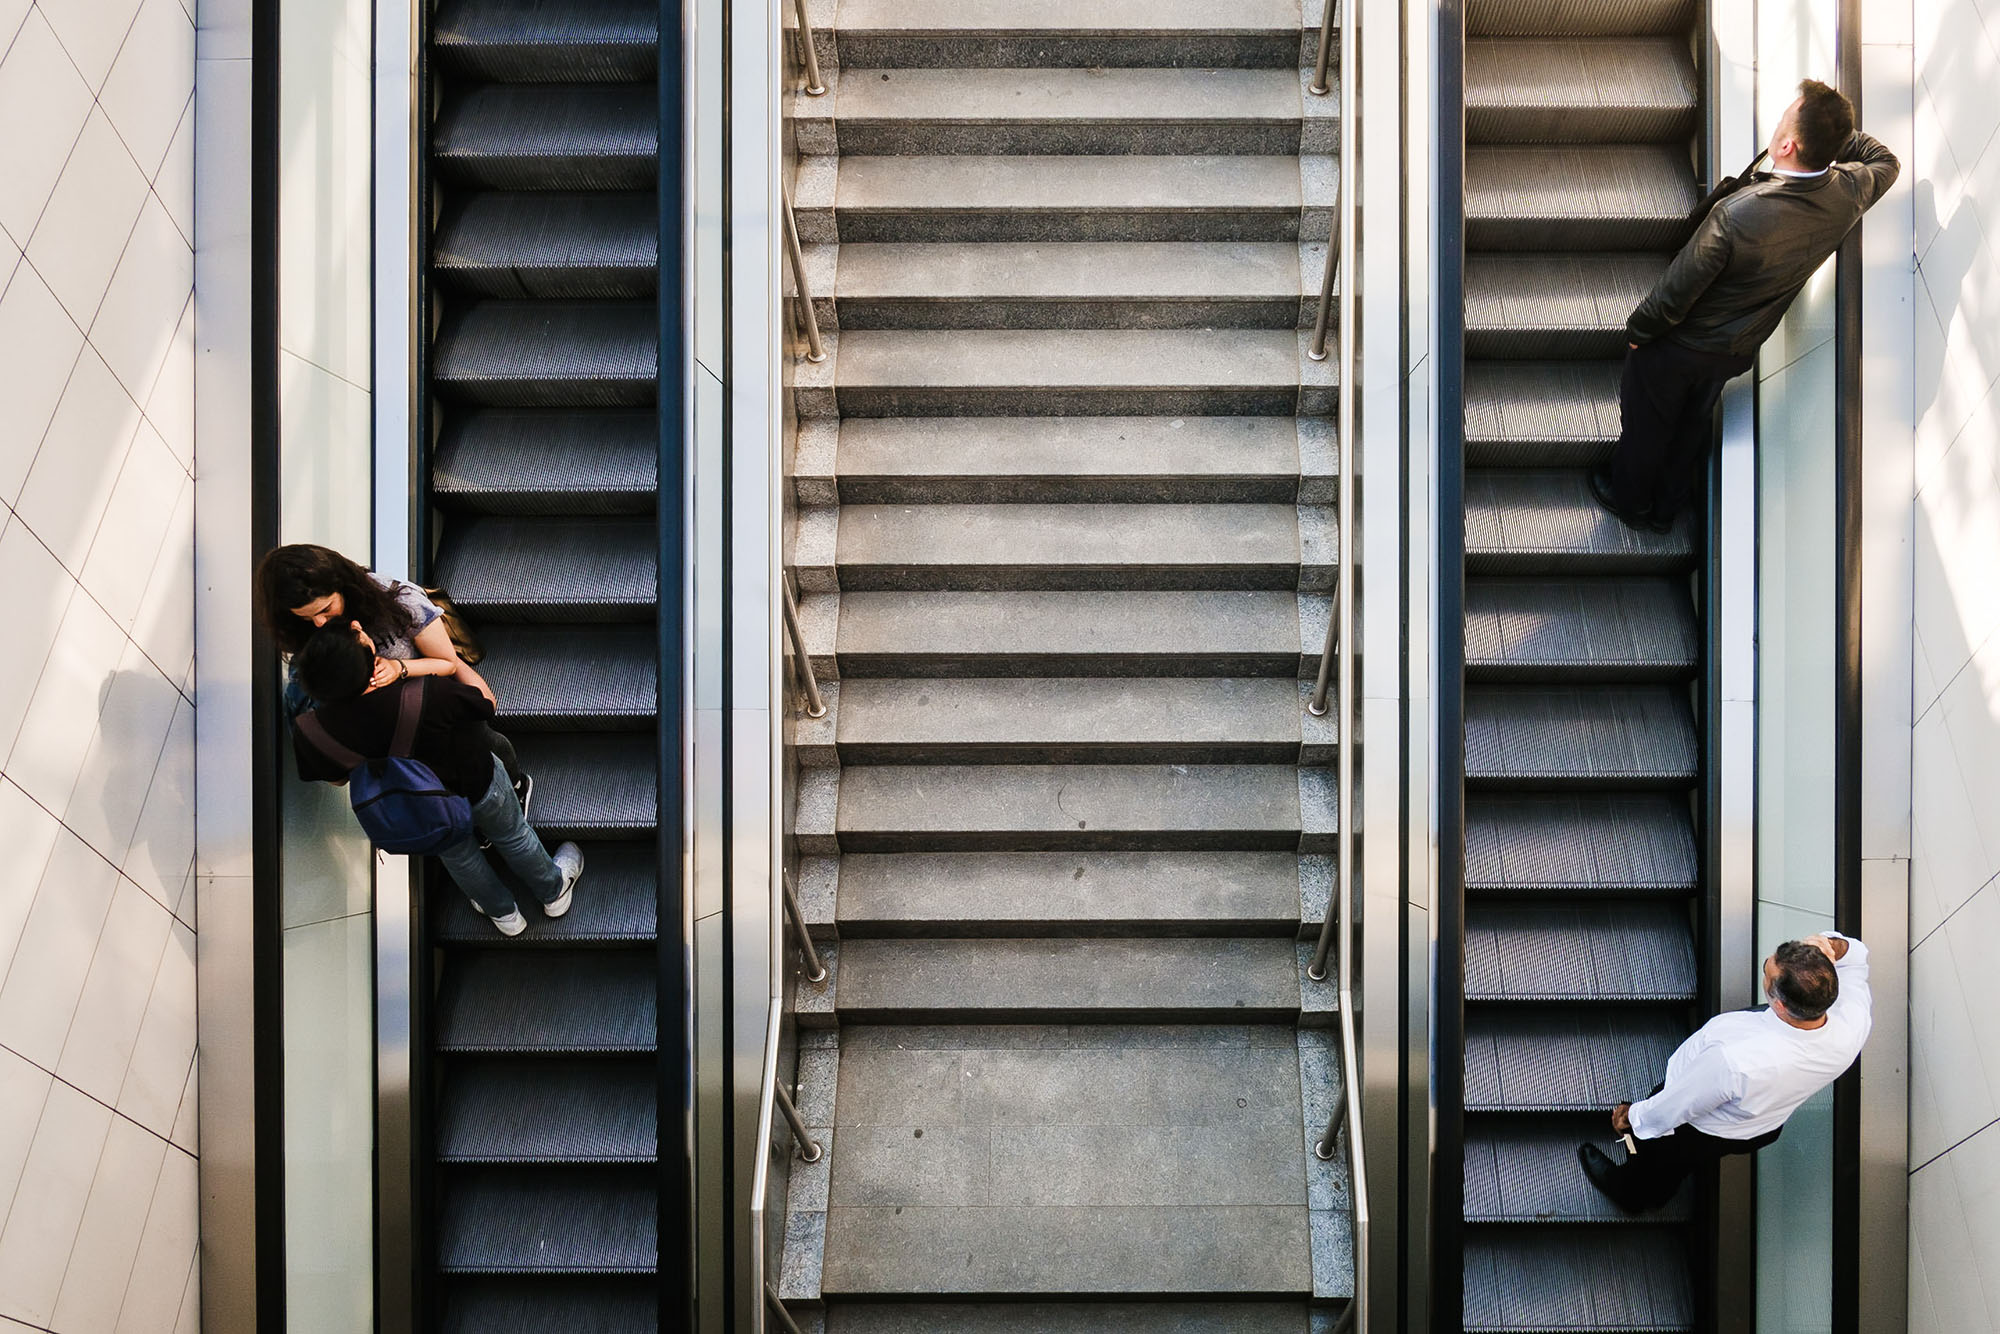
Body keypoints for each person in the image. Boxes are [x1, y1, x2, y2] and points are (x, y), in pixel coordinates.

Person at [1590, 80, 1900, 532]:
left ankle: (1632, 500)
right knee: (1693, 419)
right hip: (1736, 349)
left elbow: (1677, 291)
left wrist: (1640, 333)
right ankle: (1666, 508)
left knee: (1647, 426)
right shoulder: (1848, 192)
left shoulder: (1737, 218)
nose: (1776, 124)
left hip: (1678, 346)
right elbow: (1886, 161)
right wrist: (1833, 132)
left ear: (1789, 145)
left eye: (1784, 119)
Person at [290, 620, 582, 936]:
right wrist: (452, 661)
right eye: (357, 634)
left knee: (459, 857)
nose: (358, 625)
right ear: (370, 663)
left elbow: (336, 780)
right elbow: (486, 704)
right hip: (477, 782)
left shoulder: (311, 731)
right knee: (512, 835)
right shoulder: (424, 693)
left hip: (422, 810)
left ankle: (505, 916)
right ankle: (553, 892)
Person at [1577, 932, 1871, 1211]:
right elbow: (1856, 957)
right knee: (1683, 1162)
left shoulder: (1736, 1061)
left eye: (1766, 975)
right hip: (1760, 1125)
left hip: (1702, 1128)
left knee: (1662, 1157)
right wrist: (1832, 945)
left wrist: (1634, 1117)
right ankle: (1659, 1188)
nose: (1765, 972)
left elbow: (1677, 1106)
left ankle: (1633, 1194)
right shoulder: (1851, 1027)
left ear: (1780, 1006)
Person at [254, 543, 530, 815]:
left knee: (486, 751)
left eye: (326, 609)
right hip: (387, 737)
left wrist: (400, 669)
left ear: (342, 586)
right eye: (306, 617)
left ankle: (514, 789)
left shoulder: (398, 600)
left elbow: (448, 663)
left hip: (431, 707)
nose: (320, 624)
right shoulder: (302, 643)